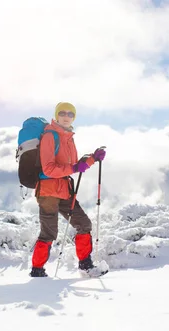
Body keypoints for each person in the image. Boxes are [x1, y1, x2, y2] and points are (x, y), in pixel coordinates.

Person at [30, 102, 106, 277]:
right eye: (62, 113)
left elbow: (74, 166)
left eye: (70, 114)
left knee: (84, 224)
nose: (66, 116)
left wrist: (93, 158)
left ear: (74, 117)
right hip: (48, 191)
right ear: (56, 115)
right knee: (49, 232)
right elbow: (49, 168)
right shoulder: (50, 136)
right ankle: (37, 271)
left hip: (64, 189)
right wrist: (74, 168)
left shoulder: (68, 137)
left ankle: (86, 265)